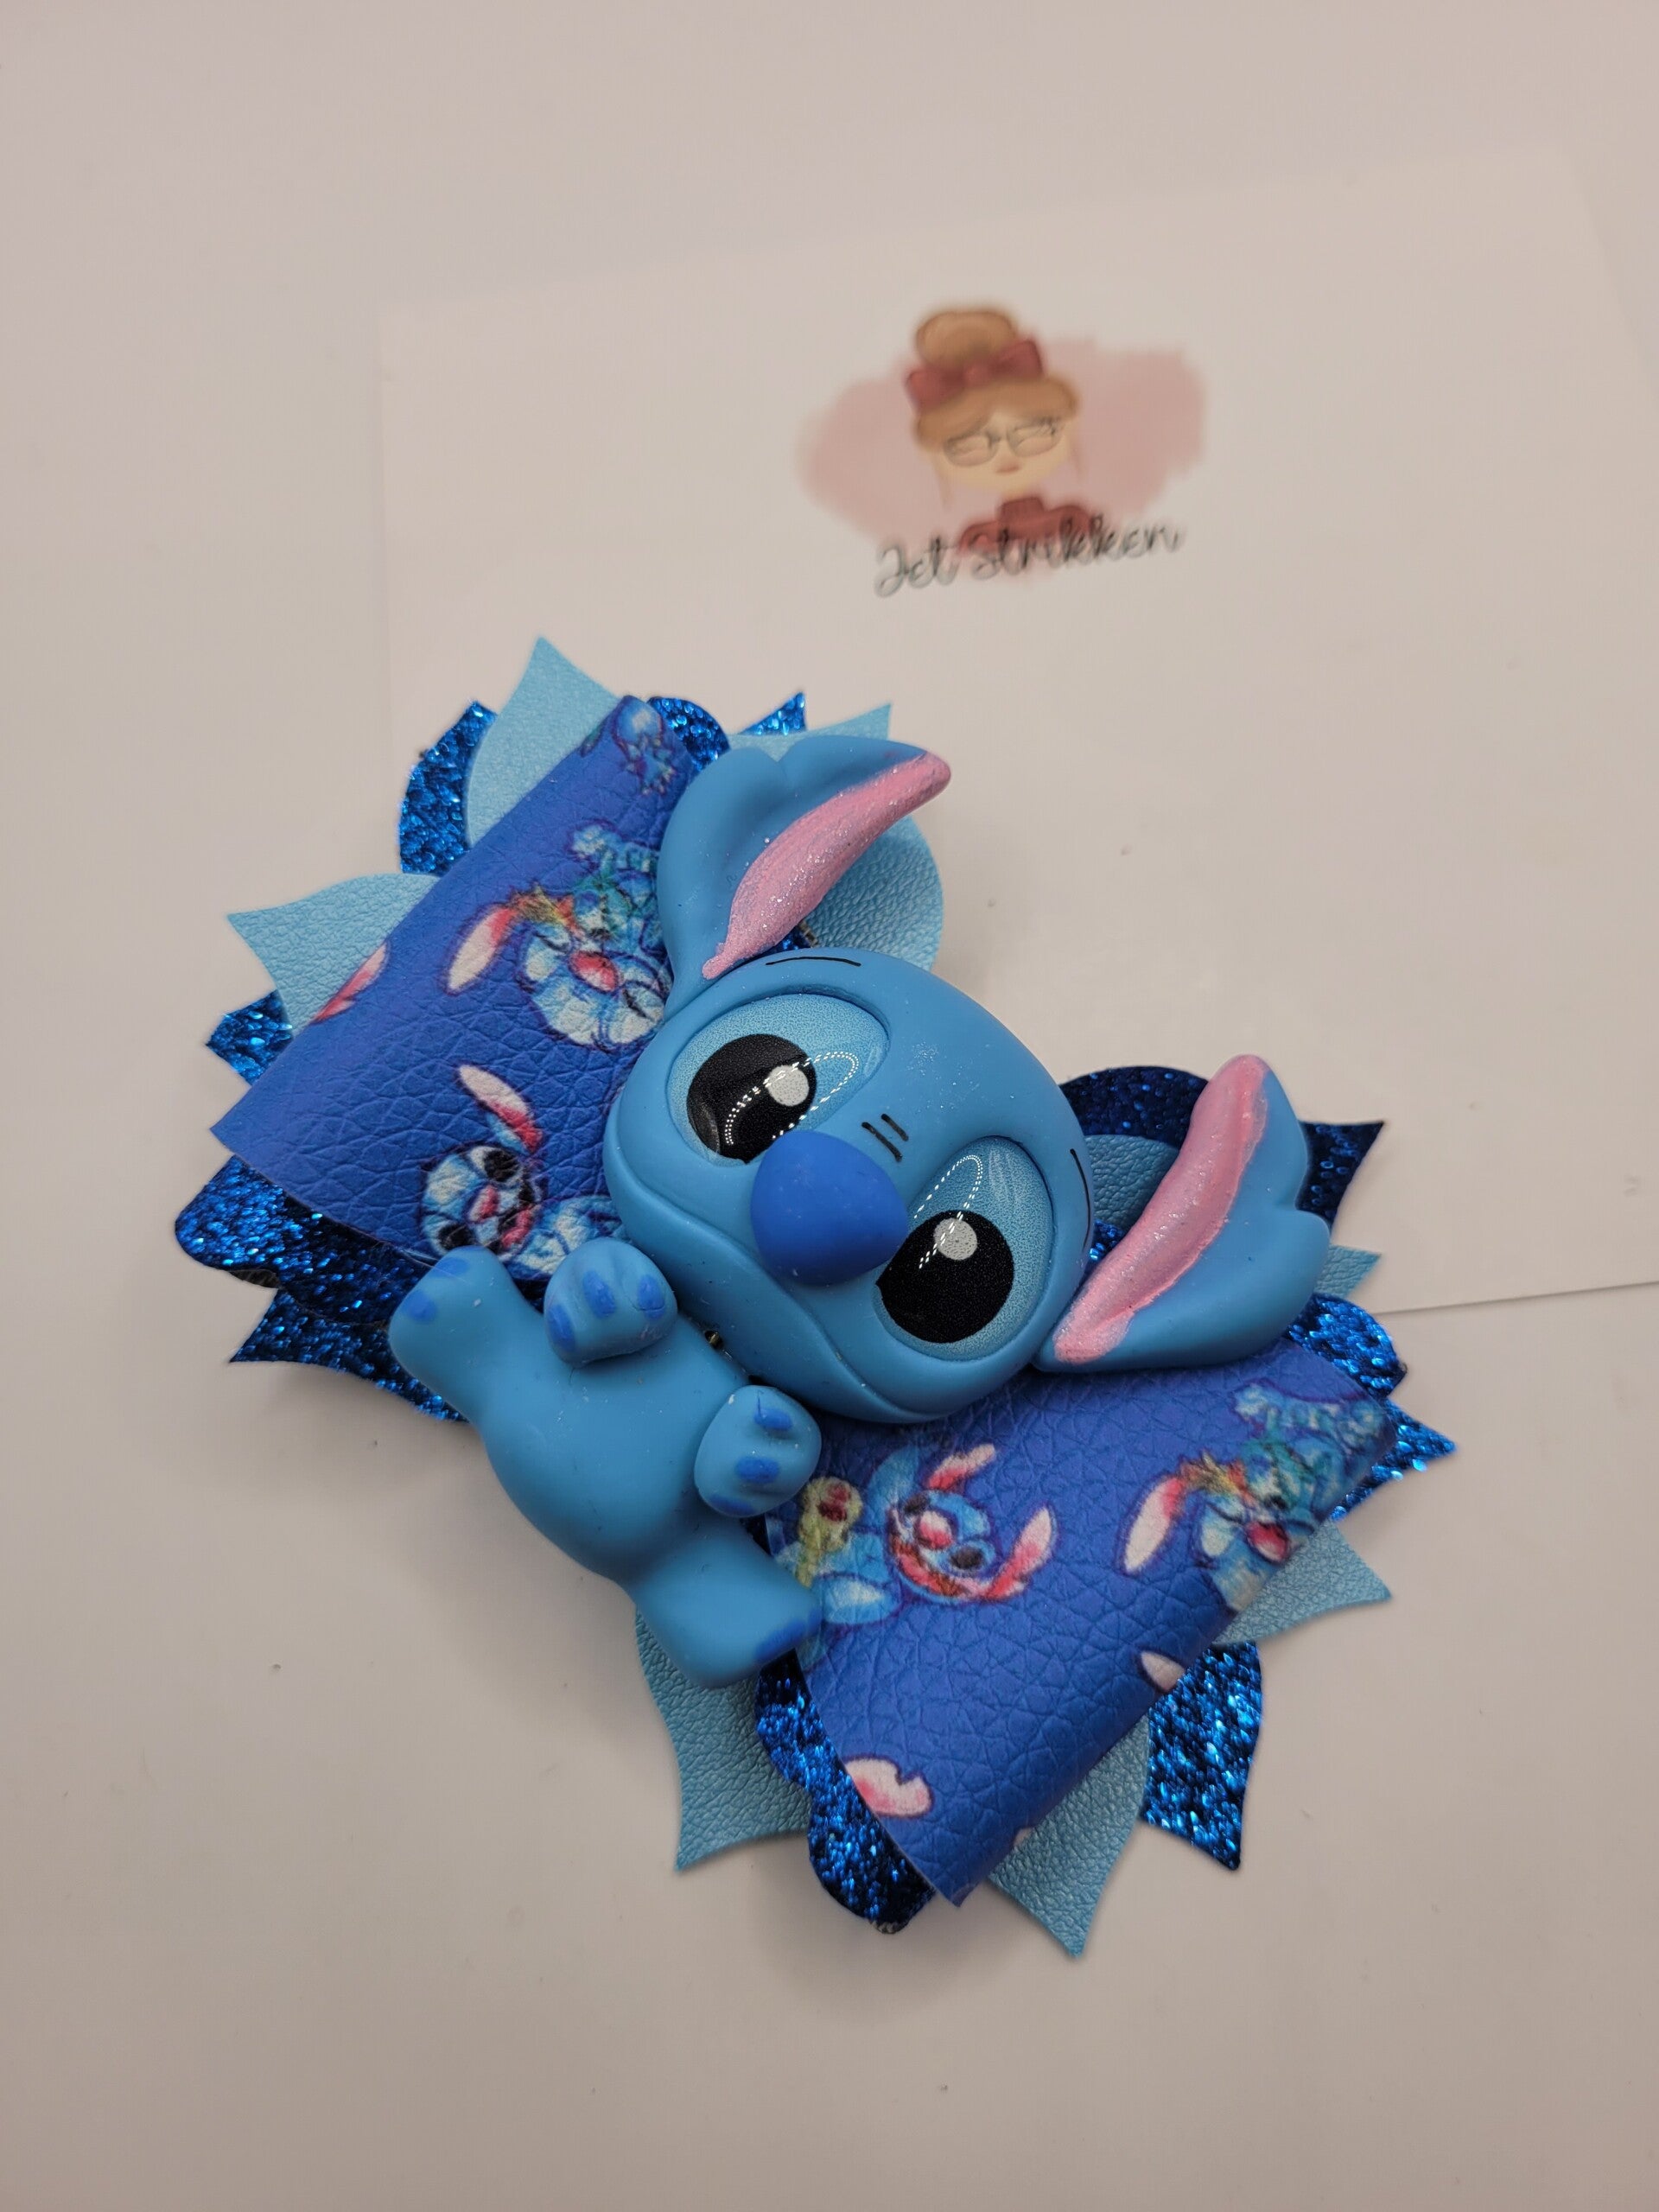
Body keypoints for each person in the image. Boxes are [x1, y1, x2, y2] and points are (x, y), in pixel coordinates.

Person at [905, 308, 1096, 553]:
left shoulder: (1074, 521)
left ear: (1069, 424)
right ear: (932, 454)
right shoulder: (977, 539)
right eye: (970, 446)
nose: (1005, 453)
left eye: (1031, 432)